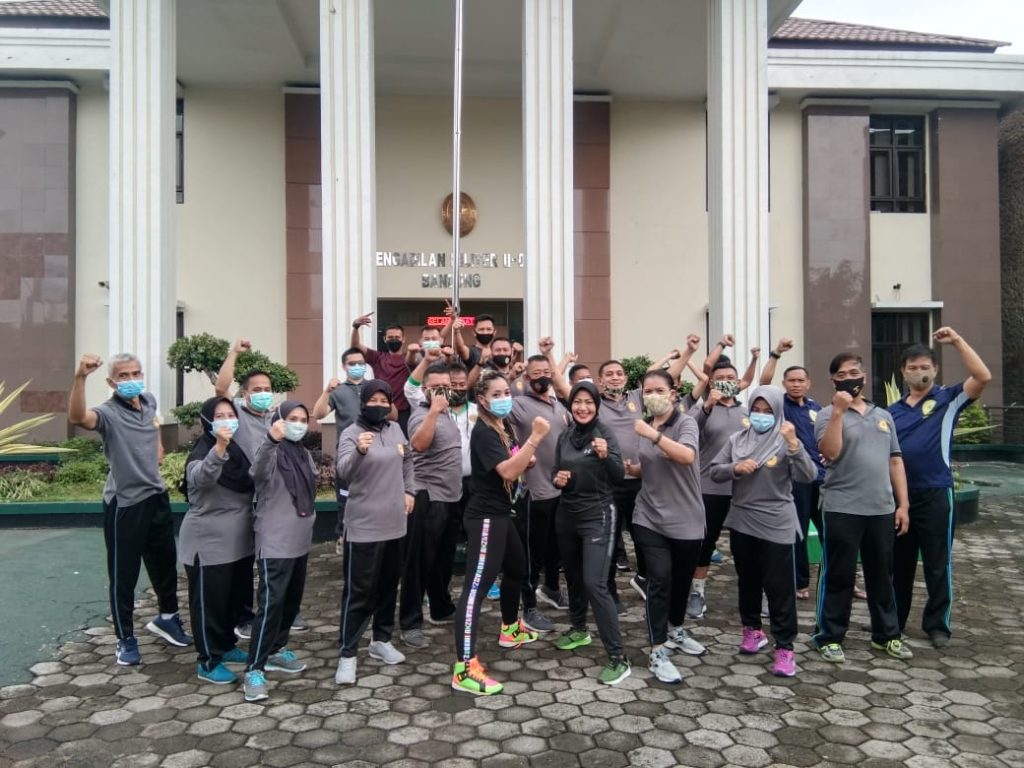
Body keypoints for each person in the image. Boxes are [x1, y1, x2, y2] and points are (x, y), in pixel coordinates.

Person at [68, 353, 192, 666]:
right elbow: (78, 417)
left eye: (136, 373)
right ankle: (125, 638)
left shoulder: (148, 401)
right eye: (123, 376)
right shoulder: (107, 413)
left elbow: (153, 426)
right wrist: (80, 377)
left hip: (156, 496)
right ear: (112, 382)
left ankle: (167, 619)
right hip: (125, 503)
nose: (131, 380)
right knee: (124, 574)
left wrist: (158, 445)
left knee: (165, 565)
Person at [889, 328, 991, 649]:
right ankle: (893, 622)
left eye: (925, 367)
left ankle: (937, 625)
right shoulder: (891, 412)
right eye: (913, 367)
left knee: (937, 563)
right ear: (903, 371)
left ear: (935, 369)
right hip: (900, 499)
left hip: (936, 493)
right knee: (899, 565)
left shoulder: (948, 399)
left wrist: (958, 341)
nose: (919, 372)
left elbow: (983, 376)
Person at [451, 370, 550, 696]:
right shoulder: (483, 431)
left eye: (507, 392)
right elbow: (507, 470)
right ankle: (464, 668)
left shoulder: (502, 425)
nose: (504, 398)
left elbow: (515, 458)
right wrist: (535, 438)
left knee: (518, 569)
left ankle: (510, 629)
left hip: (503, 512)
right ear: (482, 399)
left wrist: (526, 458)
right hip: (485, 517)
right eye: (496, 394)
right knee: (475, 590)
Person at [709, 386, 817, 678]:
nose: (760, 416)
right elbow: (714, 470)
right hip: (742, 520)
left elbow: (808, 475)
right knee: (748, 581)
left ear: (778, 412)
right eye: (756, 410)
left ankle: (785, 647)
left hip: (776, 521)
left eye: (767, 411)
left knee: (779, 587)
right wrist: (735, 468)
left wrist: (794, 445)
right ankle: (752, 629)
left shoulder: (785, 440)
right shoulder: (737, 439)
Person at [812, 353, 911, 663]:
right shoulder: (826, 414)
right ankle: (829, 636)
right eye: (841, 375)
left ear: (864, 377)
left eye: (854, 372)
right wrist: (838, 413)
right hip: (842, 507)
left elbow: (895, 461)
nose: (849, 378)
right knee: (839, 575)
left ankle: (887, 635)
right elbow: (830, 452)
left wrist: (903, 504)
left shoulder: (883, 416)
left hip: (881, 508)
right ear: (833, 381)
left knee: (882, 575)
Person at [214, 340, 309, 637]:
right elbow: (220, 389)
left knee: (276, 558)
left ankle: (283, 609)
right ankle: (245, 616)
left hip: (274, 497)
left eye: (267, 388)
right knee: (247, 559)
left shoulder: (274, 418)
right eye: (257, 389)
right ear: (245, 394)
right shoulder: (237, 414)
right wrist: (234, 353)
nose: (263, 393)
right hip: (244, 495)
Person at [627, 370, 708, 684]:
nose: (652, 396)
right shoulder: (646, 427)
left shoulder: (685, 423)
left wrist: (653, 435)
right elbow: (648, 465)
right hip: (648, 516)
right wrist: (631, 468)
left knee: (681, 582)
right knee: (659, 580)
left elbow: (686, 456)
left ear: (673, 393)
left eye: (659, 390)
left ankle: (676, 630)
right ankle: (658, 650)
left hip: (687, 519)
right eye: (647, 391)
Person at [334, 381, 416, 685]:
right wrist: (359, 450)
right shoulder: (351, 433)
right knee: (359, 592)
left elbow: (408, 460)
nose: (379, 405)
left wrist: (409, 490)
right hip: (364, 526)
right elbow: (344, 471)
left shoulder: (395, 429)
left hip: (395, 523)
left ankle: (381, 640)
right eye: (373, 400)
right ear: (363, 403)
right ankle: (347, 654)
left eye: (384, 400)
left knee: (387, 587)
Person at [552, 381, 630, 685]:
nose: (582, 407)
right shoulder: (565, 435)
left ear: (597, 406)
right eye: (577, 402)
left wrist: (606, 455)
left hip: (598, 515)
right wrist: (557, 479)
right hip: (567, 515)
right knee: (573, 577)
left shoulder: (604, 434)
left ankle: (618, 658)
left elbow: (619, 476)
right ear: (570, 405)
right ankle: (579, 629)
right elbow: (556, 472)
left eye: (588, 402)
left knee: (594, 583)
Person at [242, 401, 317, 702]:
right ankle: (254, 669)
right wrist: (271, 440)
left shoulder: (303, 453)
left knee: (290, 602)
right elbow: (257, 473)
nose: (298, 424)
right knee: (271, 605)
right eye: (291, 418)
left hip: (300, 540)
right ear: (278, 420)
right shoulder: (270, 450)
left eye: (303, 419)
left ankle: (276, 649)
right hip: (275, 542)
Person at [180, 397, 255, 684]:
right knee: (209, 605)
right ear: (207, 421)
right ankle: (208, 661)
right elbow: (202, 478)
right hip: (208, 544)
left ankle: (225, 646)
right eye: (219, 416)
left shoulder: (237, 451)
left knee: (232, 601)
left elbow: (249, 480)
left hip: (239, 543)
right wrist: (219, 448)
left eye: (230, 414)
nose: (226, 420)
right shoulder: (201, 453)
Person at [398, 363, 463, 648]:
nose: (442, 391)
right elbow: (419, 445)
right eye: (436, 387)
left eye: (446, 386)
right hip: (429, 497)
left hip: (451, 497)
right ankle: (410, 623)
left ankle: (441, 607)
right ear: (425, 389)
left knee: (442, 561)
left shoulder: (448, 413)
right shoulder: (421, 414)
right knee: (418, 564)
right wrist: (434, 411)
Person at [758, 338, 826, 600]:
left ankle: (837, 579)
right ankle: (800, 582)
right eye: (792, 380)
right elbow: (764, 382)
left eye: (801, 380)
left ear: (808, 383)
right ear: (785, 383)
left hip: (822, 478)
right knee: (798, 532)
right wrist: (776, 353)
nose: (796, 384)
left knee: (830, 532)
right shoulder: (778, 406)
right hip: (796, 478)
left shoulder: (816, 408)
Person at [509, 352, 571, 631]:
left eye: (547, 372)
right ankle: (529, 607)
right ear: (527, 377)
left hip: (559, 489)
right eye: (536, 373)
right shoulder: (518, 404)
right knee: (531, 554)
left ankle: (551, 588)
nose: (543, 377)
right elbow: (497, 419)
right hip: (533, 492)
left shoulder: (559, 406)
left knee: (555, 548)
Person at [686, 358, 749, 620]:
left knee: (747, 546)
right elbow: (688, 428)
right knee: (705, 542)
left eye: (730, 378)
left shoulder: (748, 412)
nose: (726, 382)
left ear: (738, 382)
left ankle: (756, 594)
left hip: (744, 489)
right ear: (711, 382)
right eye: (720, 378)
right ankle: (696, 593)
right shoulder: (703, 408)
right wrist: (708, 405)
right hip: (710, 487)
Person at [350, 313, 414, 433]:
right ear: (385, 339)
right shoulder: (377, 357)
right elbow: (355, 346)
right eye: (390, 337)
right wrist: (355, 327)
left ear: (403, 339)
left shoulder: (410, 359)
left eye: (397, 337)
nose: (394, 340)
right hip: (381, 412)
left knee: (403, 444)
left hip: (404, 414)